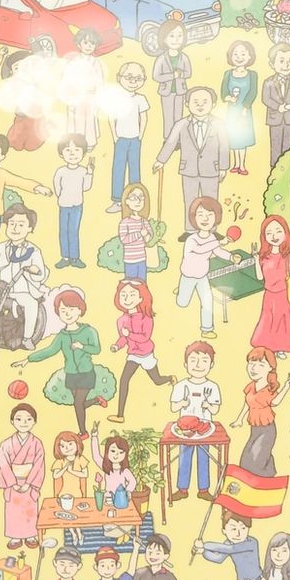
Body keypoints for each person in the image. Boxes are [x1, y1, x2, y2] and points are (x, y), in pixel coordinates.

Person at [15, 290, 102, 436]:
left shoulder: (89, 331)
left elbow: (97, 349)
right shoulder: (62, 336)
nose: (67, 313)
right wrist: (28, 359)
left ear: (80, 310)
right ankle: (96, 400)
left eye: (71, 309)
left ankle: (83, 432)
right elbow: (49, 351)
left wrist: (82, 347)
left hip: (87, 373)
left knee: (78, 403)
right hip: (71, 375)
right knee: (78, 404)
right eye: (63, 310)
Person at [153, 86, 229, 232]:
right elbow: (171, 142)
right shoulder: (181, 124)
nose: (200, 105)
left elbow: (224, 146)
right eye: (195, 101)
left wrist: (223, 167)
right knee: (190, 200)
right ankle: (190, 230)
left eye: (205, 102)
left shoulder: (219, 124)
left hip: (211, 169)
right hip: (188, 169)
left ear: (213, 104)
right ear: (187, 104)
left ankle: (212, 230)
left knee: (211, 201)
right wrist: (161, 160)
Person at [107, 278, 174, 425]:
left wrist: (128, 334)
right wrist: (117, 346)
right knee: (124, 380)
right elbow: (123, 338)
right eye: (123, 295)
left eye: (132, 295)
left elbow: (144, 337)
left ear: (141, 298)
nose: (127, 298)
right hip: (133, 355)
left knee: (157, 380)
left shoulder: (146, 318)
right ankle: (120, 415)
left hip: (146, 354)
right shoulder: (121, 320)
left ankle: (170, 378)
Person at [0, 203, 49, 350]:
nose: (15, 228)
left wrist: (34, 270)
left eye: (21, 225)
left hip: (22, 291)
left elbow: (40, 271)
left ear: (29, 228)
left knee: (31, 304)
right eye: (12, 224)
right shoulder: (0, 248)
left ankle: (27, 338)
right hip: (2, 288)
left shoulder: (33, 251)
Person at [169, 341, 221, 503]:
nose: (198, 365)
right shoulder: (180, 386)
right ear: (186, 364)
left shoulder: (212, 386)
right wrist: (182, 403)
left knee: (204, 458)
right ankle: (182, 489)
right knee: (184, 457)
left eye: (204, 361)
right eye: (193, 360)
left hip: (205, 429)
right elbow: (173, 407)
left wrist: (208, 405)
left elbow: (215, 410)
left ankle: (203, 489)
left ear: (211, 364)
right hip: (185, 429)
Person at [175, 195, 232, 341]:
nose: (205, 219)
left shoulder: (212, 239)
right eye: (200, 214)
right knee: (182, 303)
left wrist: (231, 257)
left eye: (210, 215)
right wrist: (219, 242)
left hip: (202, 277)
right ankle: (181, 290)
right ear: (194, 218)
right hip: (188, 275)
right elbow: (200, 249)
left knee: (207, 301)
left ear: (216, 218)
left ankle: (207, 329)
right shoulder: (191, 239)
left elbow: (218, 252)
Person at [234, 347, 290, 478]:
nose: (254, 368)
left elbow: (275, 402)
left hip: (267, 429)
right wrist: (239, 419)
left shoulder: (269, 389)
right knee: (248, 457)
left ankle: (263, 482)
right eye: (251, 363)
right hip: (254, 428)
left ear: (270, 368)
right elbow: (247, 403)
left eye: (260, 365)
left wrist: (286, 387)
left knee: (256, 458)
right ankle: (269, 474)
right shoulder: (251, 386)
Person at [0, 402, 44, 551]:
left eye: (28, 419)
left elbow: (39, 464)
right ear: (12, 421)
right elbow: (3, 464)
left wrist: (29, 483)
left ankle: (30, 535)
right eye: (19, 419)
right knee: (14, 511)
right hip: (13, 484)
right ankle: (15, 537)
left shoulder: (37, 443)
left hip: (29, 483)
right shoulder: (6, 444)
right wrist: (12, 482)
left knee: (30, 510)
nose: (24, 423)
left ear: (34, 422)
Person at [251, 214, 290, 358]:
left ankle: (281, 347)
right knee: (268, 320)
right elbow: (260, 277)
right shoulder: (263, 257)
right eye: (269, 233)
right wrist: (256, 259)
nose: (274, 236)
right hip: (269, 295)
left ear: (285, 233)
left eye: (278, 231)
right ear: (264, 236)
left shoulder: (287, 257)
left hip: (284, 295)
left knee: (283, 322)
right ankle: (268, 347)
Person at [105, 62, 149, 213]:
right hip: (121, 139)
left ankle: (136, 200)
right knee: (118, 169)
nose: (133, 81)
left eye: (138, 78)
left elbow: (144, 118)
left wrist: (140, 136)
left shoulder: (141, 99)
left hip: (135, 139)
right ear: (119, 78)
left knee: (135, 169)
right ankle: (117, 201)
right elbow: (111, 117)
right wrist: (115, 136)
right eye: (129, 77)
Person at [88, 424, 136, 542]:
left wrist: (128, 492)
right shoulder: (106, 467)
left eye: (120, 452)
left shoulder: (124, 470)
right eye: (113, 451)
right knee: (107, 524)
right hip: (108, 499)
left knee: (123, 519)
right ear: (107, 452)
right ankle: (120, 532)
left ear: (125, 454)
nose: (116, 455)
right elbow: (95, 455)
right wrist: (94, 436)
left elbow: (133, 481)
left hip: (121, 500)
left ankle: (121, 531)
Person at [52, 133, 94, 270]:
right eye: (68, 150)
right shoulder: (61, 171)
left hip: (77, 206)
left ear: (83, 153)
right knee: (63, 231)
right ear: (61, 154)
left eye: (76, 150)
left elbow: (86, 187)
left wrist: (90, 173)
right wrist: (61, 197)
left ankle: (75, 258)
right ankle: (65, 257)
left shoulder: (82, 171)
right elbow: (57, 186)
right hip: (64, 205)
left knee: (73, 232)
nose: (72, 153)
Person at [62, 29, 105, 150]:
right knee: (77, 120)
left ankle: (90, 142)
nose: (89, 46)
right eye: (85, 43)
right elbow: (67, 79)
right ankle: (77, 143)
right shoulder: (74, 61)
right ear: (78, 44)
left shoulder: (95, 62)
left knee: (89, 119)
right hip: (76, 96)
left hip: (90, 97)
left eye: (92, 43)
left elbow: (99, 81)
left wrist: (98, 95)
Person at [262, 43, 290, 168]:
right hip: (275, 117)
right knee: (275, 143)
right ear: (272, 64)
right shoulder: (268, 82)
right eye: (281, 61)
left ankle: (286, 164)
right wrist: (278, 107)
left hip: (289, 116)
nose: (286, 65)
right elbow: (266, 99)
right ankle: (274, 166)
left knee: (287, 142)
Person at [220, 39, 258, 174]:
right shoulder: (228, 74)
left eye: (243, 54)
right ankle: (235, 164)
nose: (239, 57)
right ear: (230, 56)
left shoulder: (252, 75)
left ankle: (242, 165)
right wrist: (229, 98)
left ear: (249, 56)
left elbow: (253, 92)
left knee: (243, 137)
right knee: (234, 138)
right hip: (232, 111)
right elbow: (223, 92)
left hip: (244, 111)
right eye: (235, 54)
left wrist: (245, 107)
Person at [151, 19, 192, 142]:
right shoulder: (161, 58)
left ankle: (177, 138)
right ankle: (167, 138)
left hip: (180, 91)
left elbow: (188, 73)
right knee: (168, 115)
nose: (176, 40)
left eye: (180, 36)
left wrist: (181, 74)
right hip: (166, 92)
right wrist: (172, 76)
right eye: (172, 36)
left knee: (178, 115)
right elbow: (156, 76)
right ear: (164, 39)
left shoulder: (184, 57)